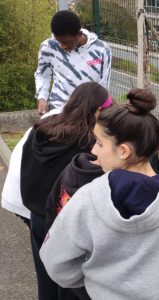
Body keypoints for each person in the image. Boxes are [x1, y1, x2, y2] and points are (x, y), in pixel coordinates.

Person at [40, 89, 159, 299]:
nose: (94, 151)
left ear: (123, 151)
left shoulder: (89, 197)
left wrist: (92, 284)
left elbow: (54, 259)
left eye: (100, 142)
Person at [20, 82, 112, 300]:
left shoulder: (42, 128)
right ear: (97, 109)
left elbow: (26, 167)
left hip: (38, 217)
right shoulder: (88, 142)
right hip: (67, 225)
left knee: (45, 279)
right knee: (71, 287)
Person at [35, 10, 112, 115]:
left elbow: (103, 87)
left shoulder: (102, 49)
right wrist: (42, 98)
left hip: (88, 113)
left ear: (79, 34)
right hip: (57, 111)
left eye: (65, 42)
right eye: (59, 41)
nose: (62, 46)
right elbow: (43, 74)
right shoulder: (48, 46)